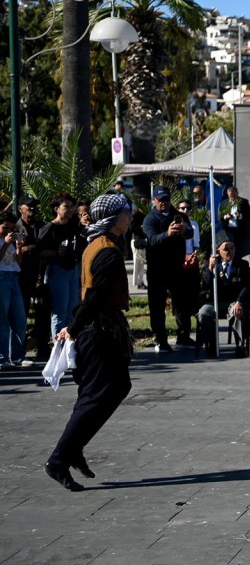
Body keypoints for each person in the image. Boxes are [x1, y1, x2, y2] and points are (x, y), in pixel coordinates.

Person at [44, 194, 136, 492]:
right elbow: (94, 295)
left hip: (96, 329)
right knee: (97, 395)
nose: (130, 218)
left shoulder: (96, 244)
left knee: (108, 389)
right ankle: (59, 459)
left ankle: (73, 449)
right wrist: (73, 327)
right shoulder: (106, 251)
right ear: (114, 218)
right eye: (126, 213)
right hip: (98, 332)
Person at [143, 186, 194, 353]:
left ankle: (183, 336)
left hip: (176, 267)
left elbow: (190, 233)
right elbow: (152, 239)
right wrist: (168, 234)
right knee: (157, 307)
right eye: (161, 200)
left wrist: (184, 230)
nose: (164, 203)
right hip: (157, 270)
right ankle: (161, 339)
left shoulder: (178, 215)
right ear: (154, 201)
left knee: (182, 304)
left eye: (166, 199)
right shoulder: (150, 219)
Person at [36, 193, 87, 343]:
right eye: (66, 207)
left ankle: (68, 346)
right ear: (56, 209)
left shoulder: (73, 226)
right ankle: (58, 347)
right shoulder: (49, 228)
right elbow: (38, 251)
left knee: (72, 311)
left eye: (72, 207)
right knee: (59, 311)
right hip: (57, 270)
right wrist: (55, 252)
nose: (70, 210)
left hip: (73, 270)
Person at [196, 240, 250, 359]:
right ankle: (211, 345)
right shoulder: (213, 264)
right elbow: (206, 285)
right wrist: (210, 268)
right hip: (215, 301)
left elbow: (246, 286)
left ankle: (240, 346)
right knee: (203, 313)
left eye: (232, 248)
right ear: (219, 251)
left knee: (237, 311)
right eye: (226, 249)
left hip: (233, 301)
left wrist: (239, 301)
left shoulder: (242, 264)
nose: (229, 252)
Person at [0, 211, 31, 367]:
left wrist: (18, 247)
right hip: (1, 278)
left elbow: (18, 263)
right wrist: (5, 242)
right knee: (3, 322)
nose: (9, 232)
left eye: (11, 228)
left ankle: (17, 356)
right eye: (5, 228)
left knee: (19, 319)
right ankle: (2, 357)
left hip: (13, 278)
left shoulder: (10, 242)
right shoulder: (4, 241)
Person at [219, 184, 250, 254]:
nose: (232, 198)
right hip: (228, 232)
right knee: (228, 250)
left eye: (234, 196)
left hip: (239, 231)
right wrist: (225, 217)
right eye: (230, 196)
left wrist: (240, 216)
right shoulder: (224, 203)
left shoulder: (244, 202)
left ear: (237, 194)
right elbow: (220, 216)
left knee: (238, 251)